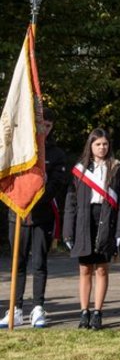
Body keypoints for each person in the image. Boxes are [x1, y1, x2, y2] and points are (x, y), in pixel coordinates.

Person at [0, 119, 67, 329]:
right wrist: (22, 202)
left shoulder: (55, 154)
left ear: (51, 128)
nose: (43, 129)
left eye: (48, 125)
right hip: (18, 214)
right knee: (17, 263)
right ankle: (16, 308)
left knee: (39, 263)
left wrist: (35, 198)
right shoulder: (19, 150)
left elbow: (57, 184)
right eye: (40, 125)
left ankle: (38, 307)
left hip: (41, 215)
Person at [63, 129, 120, 330]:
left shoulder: (117, 169)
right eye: (98, 144)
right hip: (85, 220)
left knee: (101, 268)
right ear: (90, 146)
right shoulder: (80, 170)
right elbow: (71, 203)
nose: (102, 148)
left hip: (107, 219)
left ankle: (97, 312)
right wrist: (68, 231)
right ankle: (84, 312)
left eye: (105, 144)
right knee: (85, 268)